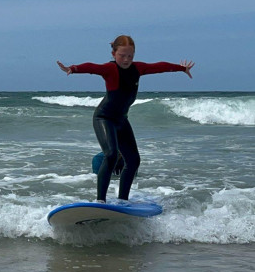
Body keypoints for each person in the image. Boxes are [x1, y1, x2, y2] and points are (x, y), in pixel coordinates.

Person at [57, 35, 194, 202]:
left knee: (133, 160)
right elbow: (93, 67)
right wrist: (73, 68)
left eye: (130, 56)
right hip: (104, 118)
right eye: (122, 55)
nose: (126, 59)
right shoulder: (110, 69)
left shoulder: (137, 69)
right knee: (111, 155)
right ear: (114, 53)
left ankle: (123, 201)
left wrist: (180, 68)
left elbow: (158, 66)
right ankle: (100, 200)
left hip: (121, 120)